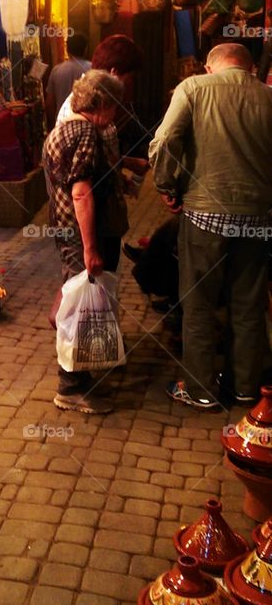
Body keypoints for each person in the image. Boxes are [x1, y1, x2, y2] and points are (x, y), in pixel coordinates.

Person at [148, 42, 272, 409]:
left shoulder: (193, 88)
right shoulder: (268, 97)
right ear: (249, 68)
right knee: (249, 306)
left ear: (209, 66)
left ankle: (201, 390)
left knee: (199, 304)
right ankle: (247, 389)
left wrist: (167, 186)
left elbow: (165, 141)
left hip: (204, 217)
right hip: (258, 219)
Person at [42, 69, 125, 414]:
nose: (115, 116)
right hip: (76, 231)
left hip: (62, 227)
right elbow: (81, 193)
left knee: (74, 298)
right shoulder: (86, 132)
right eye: (114, 107)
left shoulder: (63, 128)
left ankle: (79, 377)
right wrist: (91, 248)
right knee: (79, 309)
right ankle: (70, 387)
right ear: (102, 103)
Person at [45, 33, 91, 127]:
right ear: (85, 49)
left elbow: (49, 103)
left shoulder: (56, 70)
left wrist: (52, 125)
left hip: (62, 124)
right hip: (85, 124)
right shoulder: (92, 69)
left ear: (67, 49)